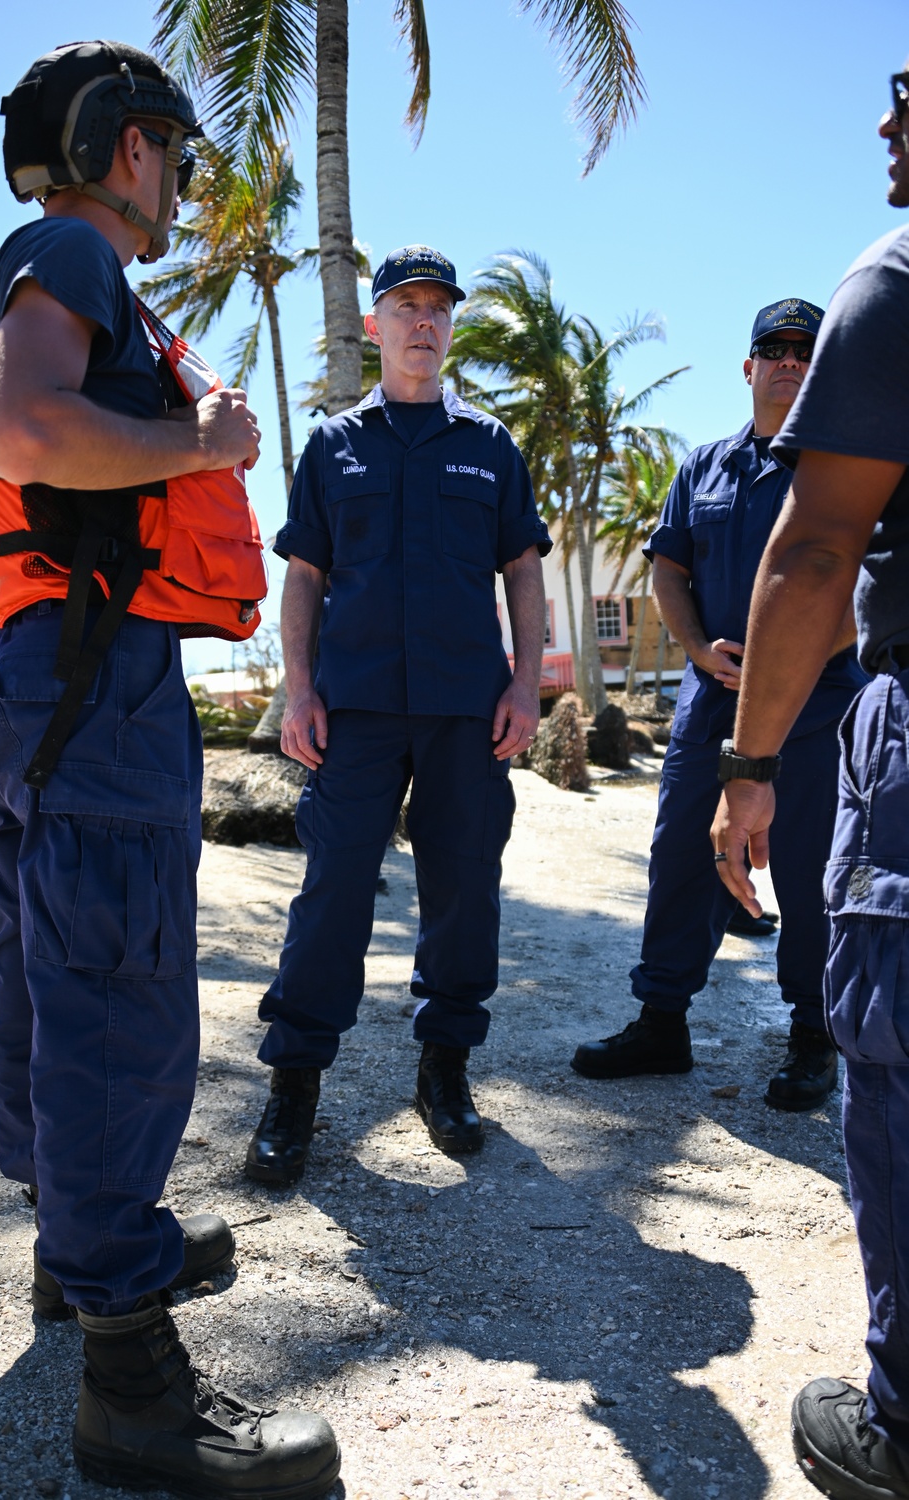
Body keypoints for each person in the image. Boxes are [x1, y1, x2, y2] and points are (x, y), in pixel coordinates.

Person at [0, 41, 338, 1500]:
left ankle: (83, 1242)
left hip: (53, 671)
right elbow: (34, 429)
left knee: (55, 973)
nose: (176, 175)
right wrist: (200, 441)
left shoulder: (19, 267)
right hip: (97, 685)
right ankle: (130, 1378)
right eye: (169, 145)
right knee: (120, 994)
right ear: (124, 149)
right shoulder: (71, 255)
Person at [245, 245, 551, 1185]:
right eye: (406, 305)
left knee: (464, 894)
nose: (424, 321)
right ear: (374, 324)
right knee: (333, 894)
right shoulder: (335, 445)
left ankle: (444, 1073)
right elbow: (304, 576)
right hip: (357, 711)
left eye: (438, 308)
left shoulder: (490, 446)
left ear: (450, 327)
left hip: (467, 710)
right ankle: (294, 1086)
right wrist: (298, 691)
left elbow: (524, 572)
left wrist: (525, 682)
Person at [711, 65, 909, 1500]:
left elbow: (818, 546)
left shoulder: (896, 276)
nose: (890, 123)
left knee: (895, 1053)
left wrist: (752, 763)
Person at [571, 302, 866, 1109]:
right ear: (748, 367)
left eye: (805, 352)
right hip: (712, 701)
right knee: (681, 860)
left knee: (812, 873)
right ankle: (662, 1021)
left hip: (820, 701)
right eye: (772, 349)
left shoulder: (841, 470)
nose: (787, 362)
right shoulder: (702, 466)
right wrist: (700, 648)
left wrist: (787, 661)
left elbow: (847, 585)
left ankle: (815, 1036)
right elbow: (669, 569)